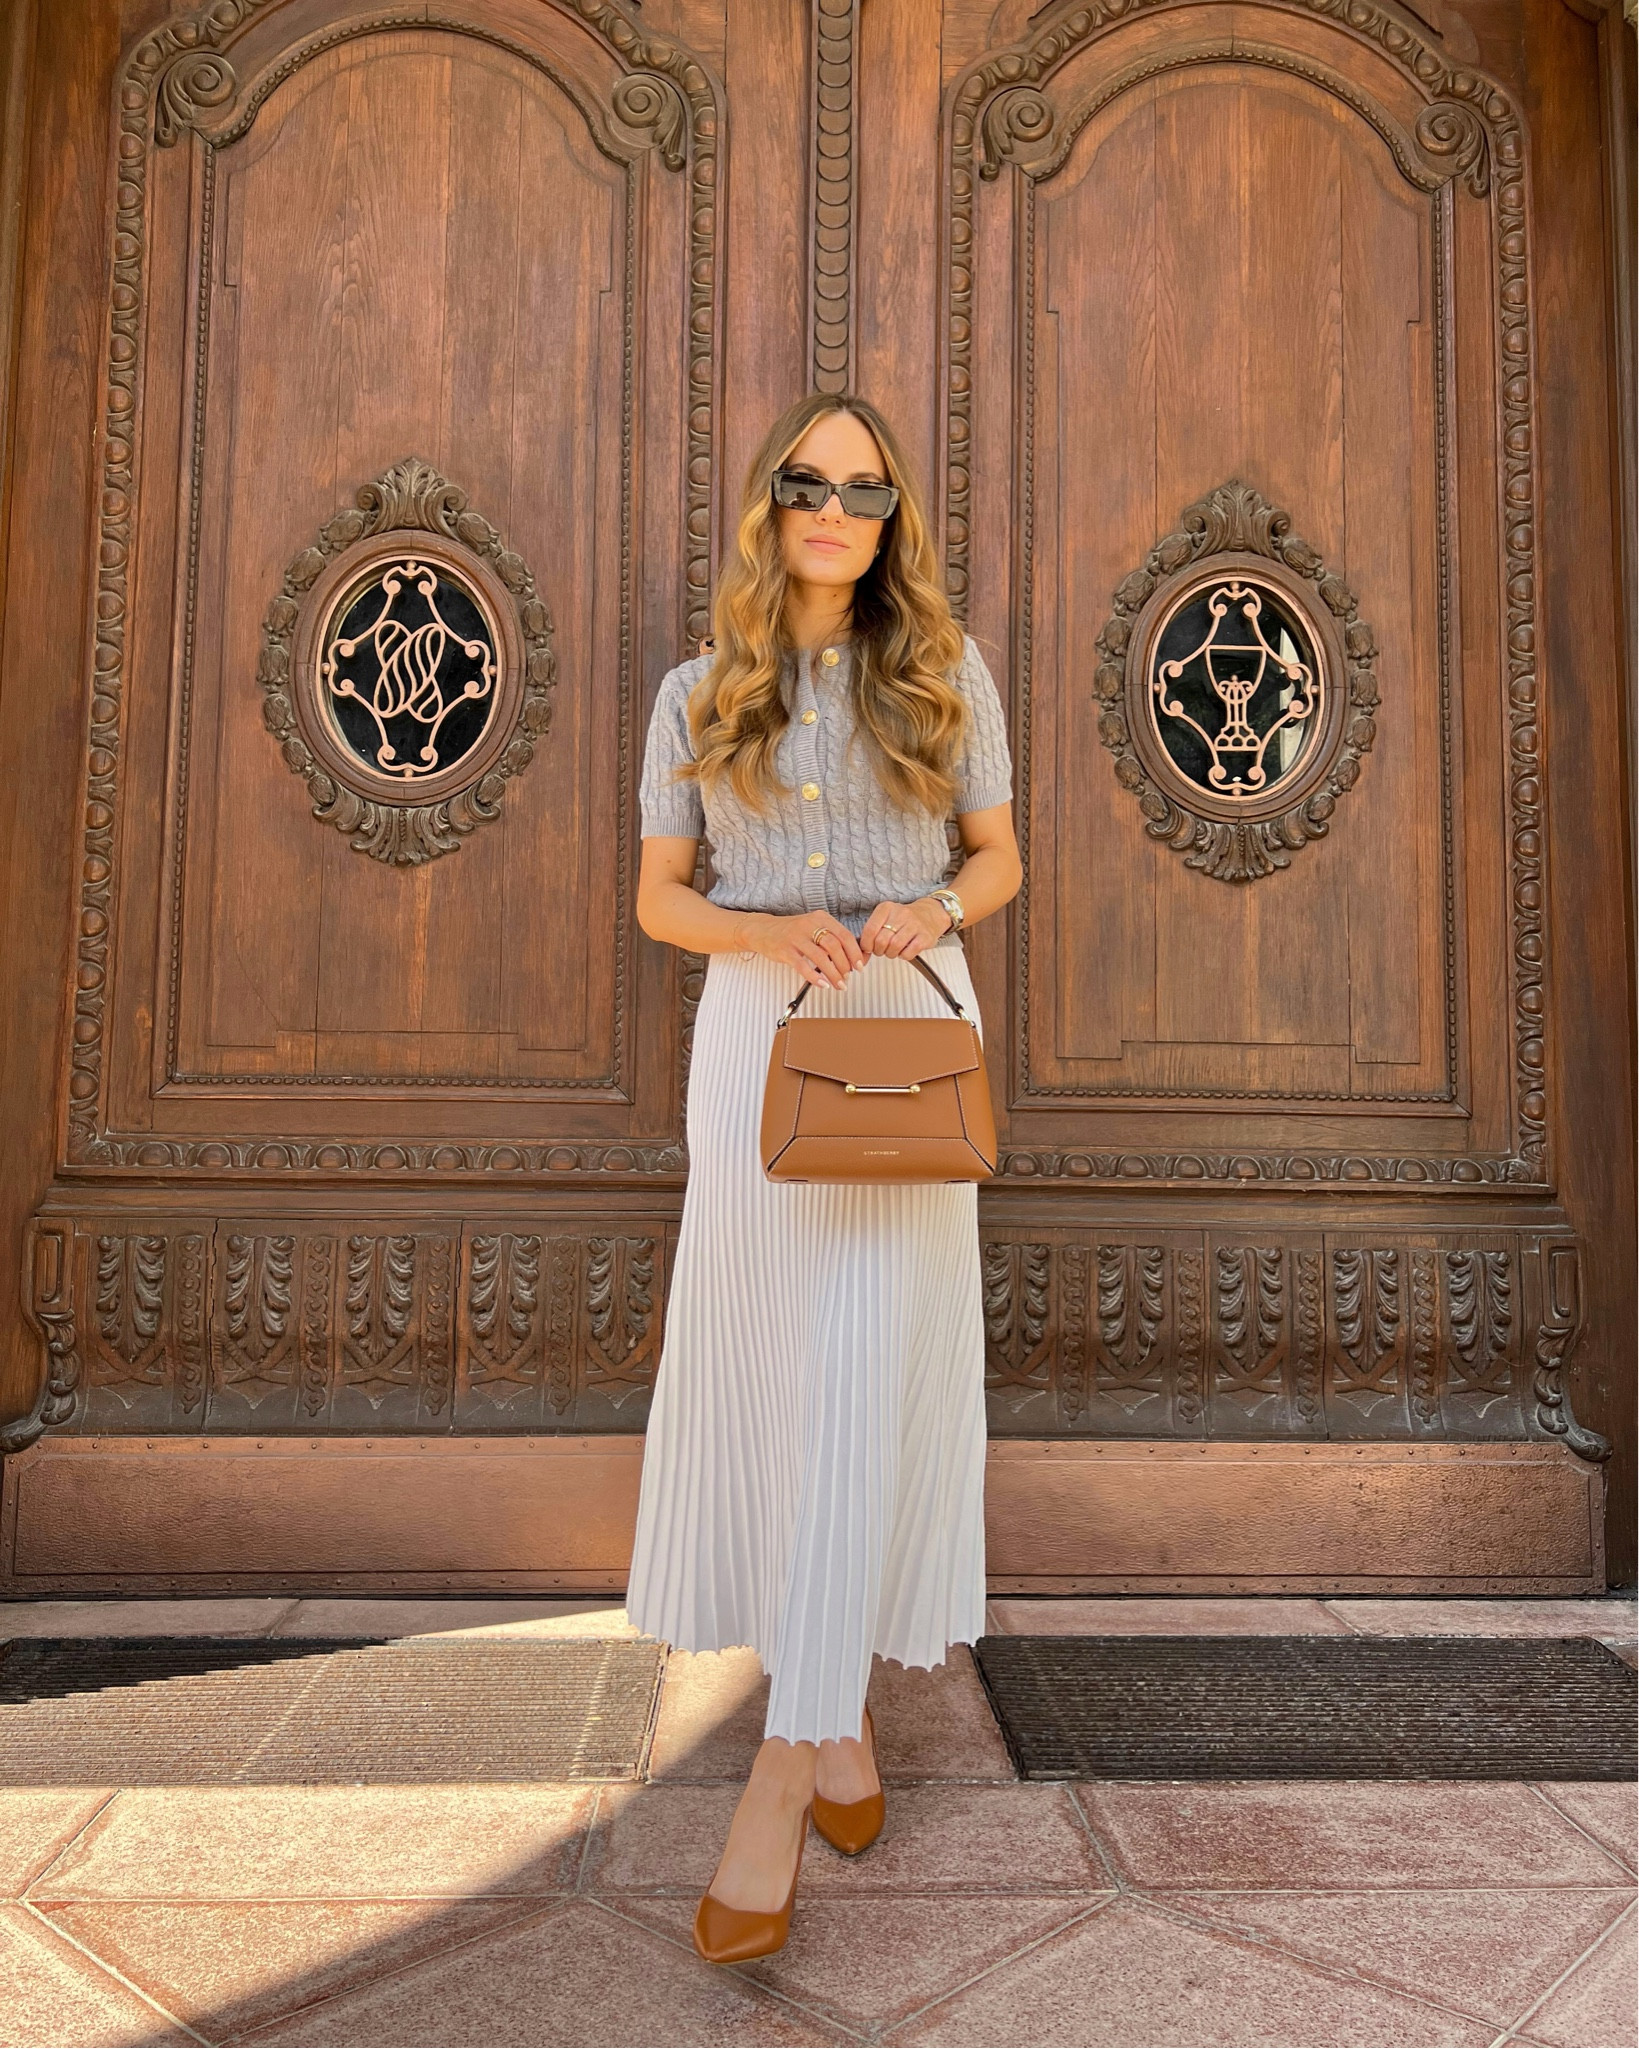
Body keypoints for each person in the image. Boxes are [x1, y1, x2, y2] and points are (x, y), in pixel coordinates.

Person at [628, 391, 1022, 1963]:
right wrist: (759, 930)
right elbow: (661, 899)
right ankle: (839, 1713)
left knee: (867, 1379)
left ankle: (778, 1779)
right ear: (772, 504)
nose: (835, 509)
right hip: (758, 1044)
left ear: (893, 518)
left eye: (864, 489)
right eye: (809, 483)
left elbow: (1001, 856)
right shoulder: (695, 691)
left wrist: (938, 912)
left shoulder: (944, 672)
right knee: (788, 1394)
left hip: (911, 1046)